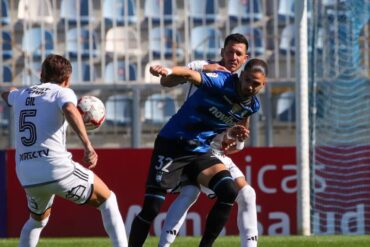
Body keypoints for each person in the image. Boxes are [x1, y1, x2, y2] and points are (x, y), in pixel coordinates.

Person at [129, 58, 268, 247]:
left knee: (228, 192)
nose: (251, 87)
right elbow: (189, 74)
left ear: (263, 84)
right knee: (151, 208)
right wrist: (169, 71)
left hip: (200, 150)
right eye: (248, 81)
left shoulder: (252, 106)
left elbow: (229, 130)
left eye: (256, 84)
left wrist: (232, 133)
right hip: (173, 144)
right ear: (242, 76)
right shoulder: (221, 81)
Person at [1, 54, 127, 247]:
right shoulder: (62, 92)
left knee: (37, 220)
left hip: (26, 173)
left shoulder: (22, 94)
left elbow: (7, 95)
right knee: (108, 200)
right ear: (67, 80)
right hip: (55, 168)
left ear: (41, 73)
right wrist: (88, 145)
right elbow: (69, 108)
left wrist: (13, 93)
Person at [159, 34, 259, 247]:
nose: (233, 57)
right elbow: (167, 82)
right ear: (222, 51)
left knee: (247, 194)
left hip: (215, 152)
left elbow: (236, 142)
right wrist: (196, 70)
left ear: (245, 58)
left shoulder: (244, 88)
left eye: (238, 54)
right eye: (230, 51)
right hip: (189, 142)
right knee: (190, 192)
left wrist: (235, 139)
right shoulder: (203, 66)